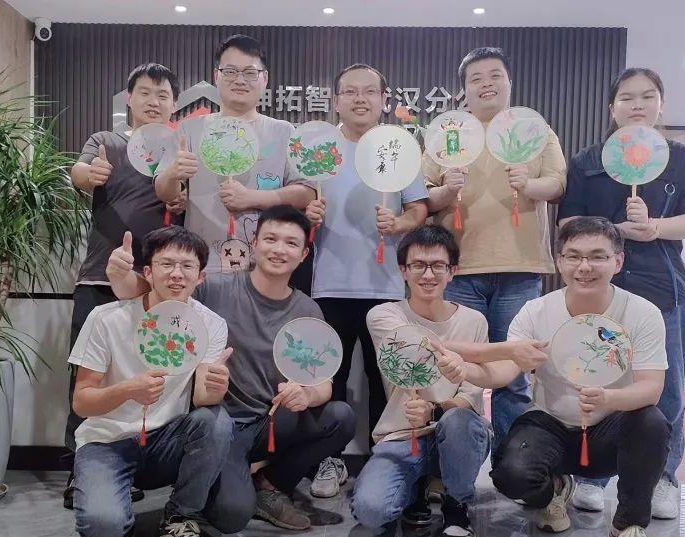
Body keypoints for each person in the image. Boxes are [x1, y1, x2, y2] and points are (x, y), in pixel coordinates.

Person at [107, 205, 356, 534]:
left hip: (272, 421)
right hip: (220, 424)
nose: (279, 249)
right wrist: (121, 277)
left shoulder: (307, 309)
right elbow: (154, 297)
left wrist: (306, 395)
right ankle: (225, 484)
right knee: (231, 515)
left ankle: (270, 485)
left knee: (340, 417)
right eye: (270, 239)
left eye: (291, 243)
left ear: (303, 254)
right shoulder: (215, 289)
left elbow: (323, 383)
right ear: (254, 243)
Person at [447, 217, 669, 537]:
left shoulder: (642, 313)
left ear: (618, 261)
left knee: (652, 423)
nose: (584, 266)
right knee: (510, 474)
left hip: (610, 428)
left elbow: (651, 388)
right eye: (574, 256)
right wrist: (464, 370)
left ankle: (627, 527)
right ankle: (555, 489)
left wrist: (608, 399)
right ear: (559, 261)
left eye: (597, 256)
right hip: (550, 423)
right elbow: (503, 372)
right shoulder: (536, 312)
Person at [557, 67, 685, 519]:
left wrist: (655, 226)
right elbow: (568, 222)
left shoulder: (682, 160)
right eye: (626, 97)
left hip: (663, 289)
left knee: (666, 389)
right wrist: (614, 231)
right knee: (598, 379)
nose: (636, 105)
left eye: (646, 96)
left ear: (661, 104)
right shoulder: (588, 160)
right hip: (599, 289)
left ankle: (663, 478)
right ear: (612, 108)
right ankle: (591, 476)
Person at [422, 47, 567, 451]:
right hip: (459, 272)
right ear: (464, 90)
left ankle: (512, 465)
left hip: (519, 270)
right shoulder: (447, 133)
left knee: (513, 375)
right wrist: (445, 191)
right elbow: (421, 196)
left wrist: (529, 184)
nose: (486, 84)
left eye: (494, 76)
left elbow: (557, 184)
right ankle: (451, 464)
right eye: (476, 78)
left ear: (509, 83)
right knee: (453, 371)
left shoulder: (533, 129)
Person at [70, 226, 233, 537]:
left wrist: (217, 386)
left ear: (201, 277)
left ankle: (179, 520)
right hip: (107, 442)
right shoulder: (107, 318)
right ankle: (116, 504)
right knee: (103, 529)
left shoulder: (210, 324)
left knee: (216, 421)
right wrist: (128, 390)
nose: (177, 274)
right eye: (166, 264)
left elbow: (203, 398)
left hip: (165, 442)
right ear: (147, 271)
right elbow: (82, 402)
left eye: (187, 266)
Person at [63, 63, 185, 509]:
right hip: (99, 277)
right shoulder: (107, 142)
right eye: (146, 93)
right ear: (129, 98)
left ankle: (132, 466)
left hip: (154, 288)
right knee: (87, 378)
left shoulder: (178, 151)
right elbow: (78, 172)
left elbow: (179, 200)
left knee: (144, 376)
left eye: (163, 94)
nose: (154, 101)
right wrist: (88, 174)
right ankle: (80, 469)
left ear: (174, 104)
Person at [307, 63, 428, 499]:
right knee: (330, 378)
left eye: (369, 92)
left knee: (386, 380)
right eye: (350, 92)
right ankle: (329, 458)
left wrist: (400, 224)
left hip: (387, 287)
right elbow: (298, 197)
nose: (360, 99)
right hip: (329, 285)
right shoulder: (320, 149)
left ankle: (383, 457)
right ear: (335, 100)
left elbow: (419, 209)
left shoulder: (399, 147)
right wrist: (307, 213)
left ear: (384, 100)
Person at [351, 225, 490, 537]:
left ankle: (456, 504)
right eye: (418, 265)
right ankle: (417, 486)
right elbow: (416, 344)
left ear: (452, 271)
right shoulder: (384, 315)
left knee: (459, 421)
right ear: (403, 270)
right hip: (402, 435)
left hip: (453, 430)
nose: (428, 275)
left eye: (438, 265)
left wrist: (434, 410)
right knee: (371, 511)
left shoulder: (474, 321)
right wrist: (503, 351)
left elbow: (471, 397)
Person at [155, 34, 315, 291]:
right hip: (200, 266)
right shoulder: (190, 130)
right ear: (216, 76)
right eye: (230, 71)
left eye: (250, 73)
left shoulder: (284, 132)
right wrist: (173, 174)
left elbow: (306, 191)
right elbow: (164, 192)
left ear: (265, 78)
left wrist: (253, 198)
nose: (239, 80)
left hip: (266, 269)